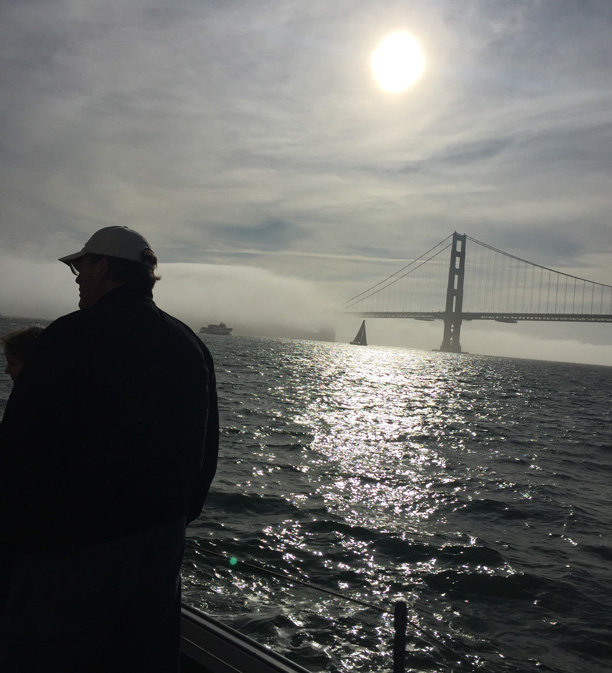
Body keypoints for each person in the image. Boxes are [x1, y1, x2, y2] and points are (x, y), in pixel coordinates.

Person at [0, 226, 219, 672]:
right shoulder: (189, 344)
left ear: (102, 267)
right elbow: (206, 451)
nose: (78, 277)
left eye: (81, 267)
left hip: (71, 545)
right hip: (160, 543)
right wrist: (173, 519)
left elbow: (23, 443)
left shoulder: (70, 334)